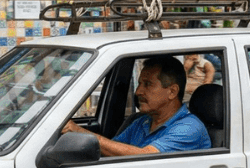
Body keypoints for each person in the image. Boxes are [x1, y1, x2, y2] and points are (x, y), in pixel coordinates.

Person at [62, 56, 211, 157]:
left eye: (147, 84)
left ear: (172, 91)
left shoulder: (190, 128)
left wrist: (80, 132)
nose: (138, 91)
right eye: (140, 84)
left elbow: (146, 157)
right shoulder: (142, 122)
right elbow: (111, 150)